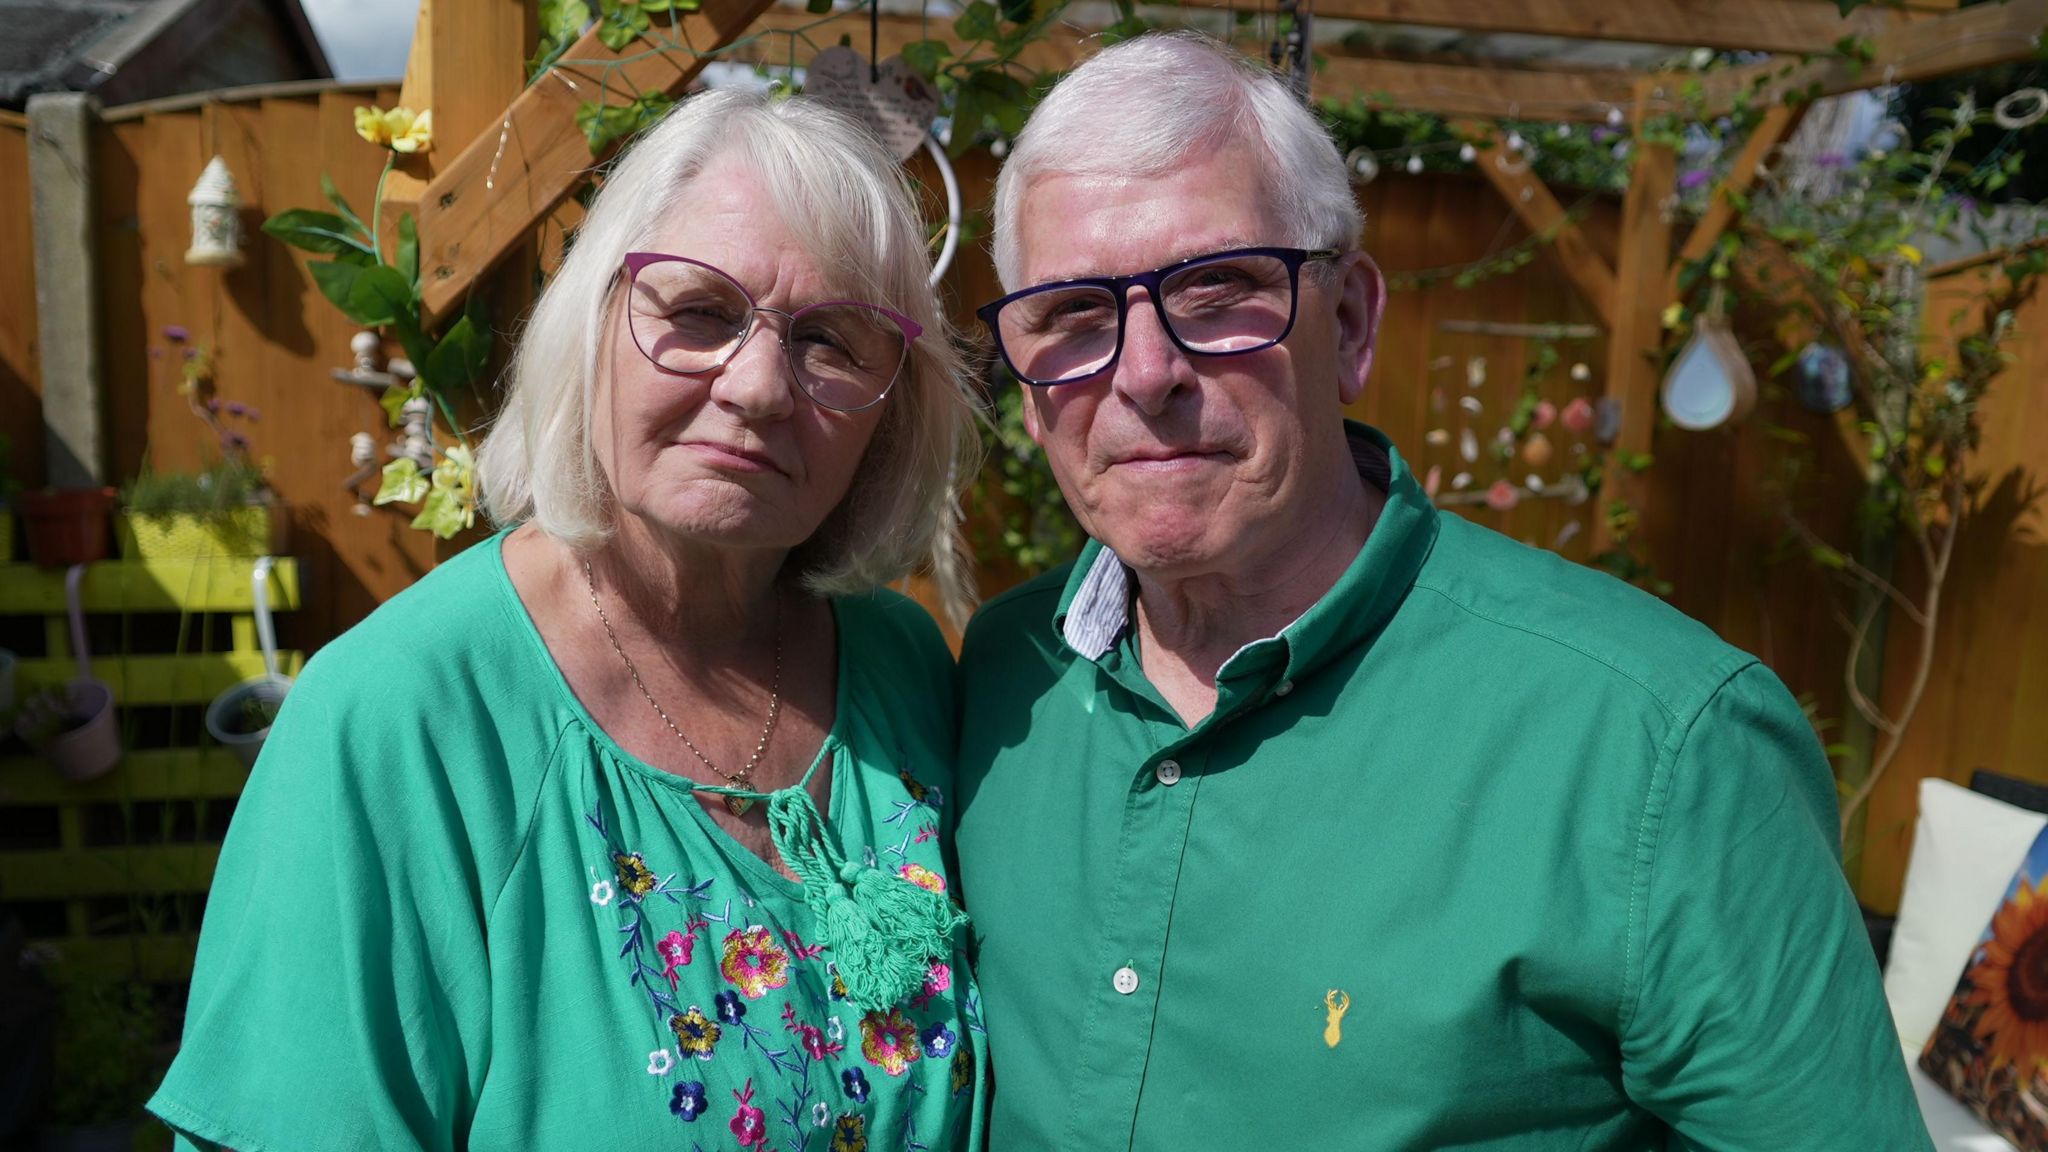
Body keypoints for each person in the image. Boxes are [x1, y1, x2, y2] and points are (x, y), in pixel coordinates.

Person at [954, 31, 1929, 1151]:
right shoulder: (1000, 682)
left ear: (1352, 326)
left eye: (1217, 290)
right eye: (1073, 317)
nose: (1142, 372)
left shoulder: (1661, 749)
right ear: (1027, 394)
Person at [148, 90, 985, 1150]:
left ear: (891, 410)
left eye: (831, 341)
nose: (761, 385)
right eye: (699, 312)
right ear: (593, 322)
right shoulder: (398, 719)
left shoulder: (901, 666)